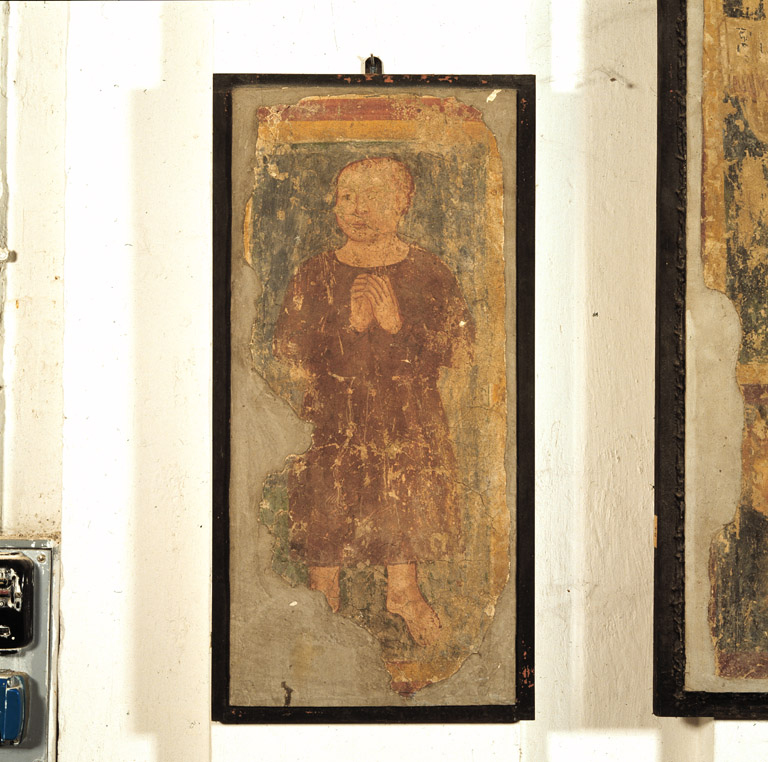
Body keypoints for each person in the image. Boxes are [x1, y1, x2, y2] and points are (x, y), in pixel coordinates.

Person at [272, 157, 474, 647]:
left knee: (402, 488)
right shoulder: (315, 272)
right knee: (328, 495)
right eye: (348, 197)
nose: (358, 209)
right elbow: (289, 350)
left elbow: (458, 350)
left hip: (405, 411)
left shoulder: (428, 271)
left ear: (402, 204)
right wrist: (349, 326)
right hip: (333, 413)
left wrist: (395, 324)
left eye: (374, 197)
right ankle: (323, 593)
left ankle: (403, 590)